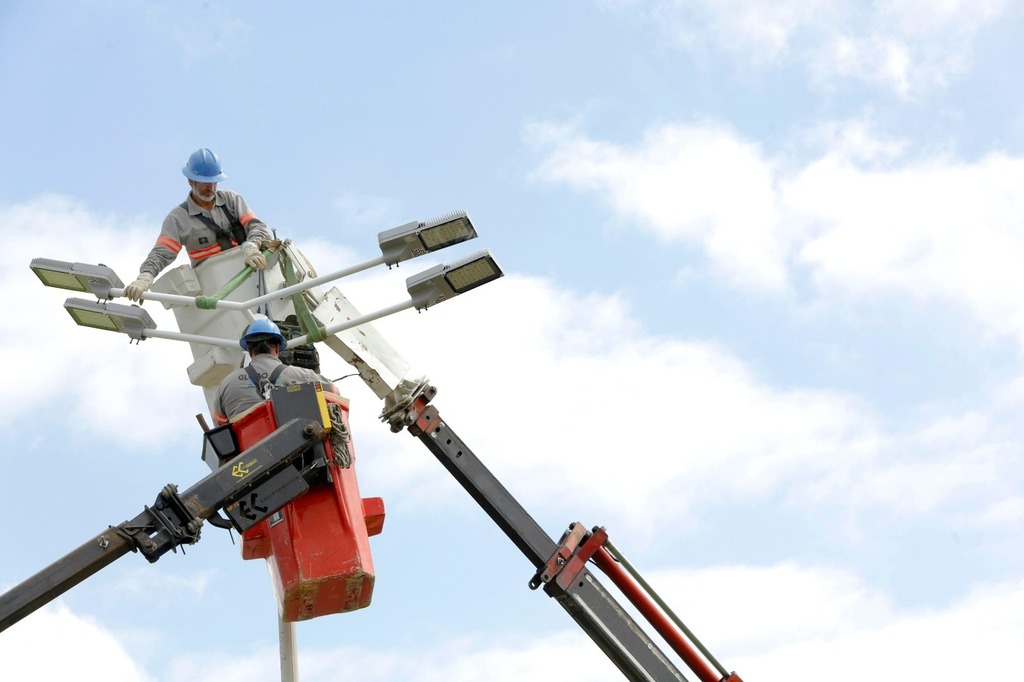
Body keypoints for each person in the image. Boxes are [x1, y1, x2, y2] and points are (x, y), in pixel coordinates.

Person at [124, 148, 273, 301]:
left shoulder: (231, 200)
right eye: (205, 182)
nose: (211, 188)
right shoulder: (178, 218)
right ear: (190, 181)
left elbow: (258, 227)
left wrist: (252, 246)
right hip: (216, 290)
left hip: (251, 278)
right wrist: (145, 276)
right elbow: (161, 253)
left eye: (214, 182)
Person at [212, 319, 337, 425]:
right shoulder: (302, 376)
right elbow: (333, 391)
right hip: (297, 447)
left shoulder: (226, 384)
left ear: (250, 351)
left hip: (250, 450)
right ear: (277, 348)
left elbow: (220, 422)